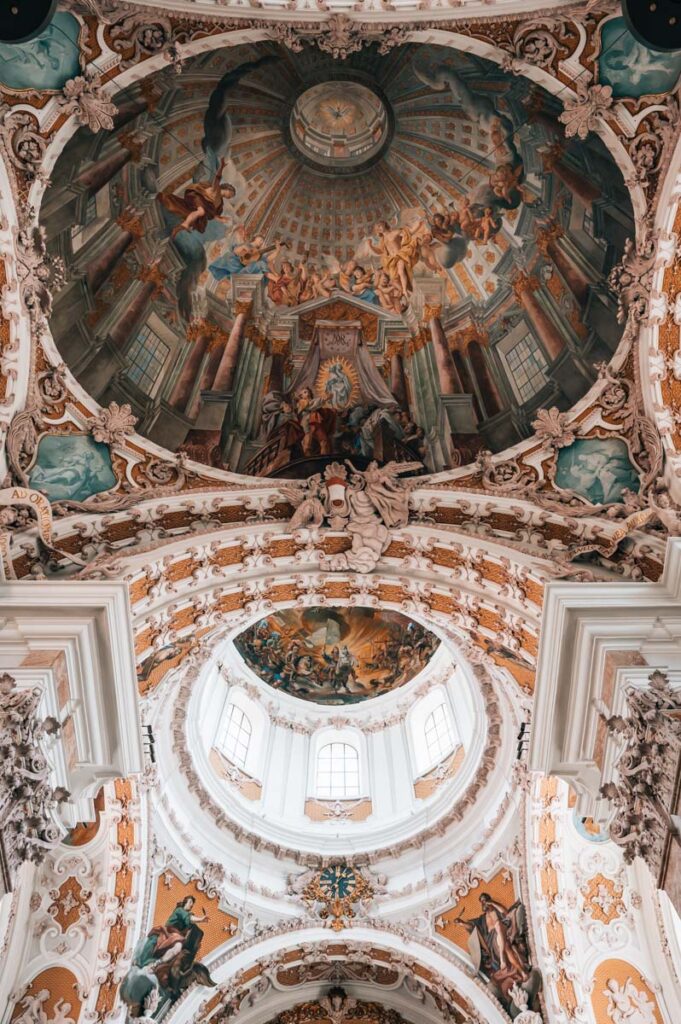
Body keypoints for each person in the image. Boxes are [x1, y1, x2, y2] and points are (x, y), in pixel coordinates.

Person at [157, 159, 236, 238]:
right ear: (227, 189)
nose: (230, 197)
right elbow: (217, 178)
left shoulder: (220, 203)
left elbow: (213, 214)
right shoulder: (216, 189)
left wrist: (221, 218)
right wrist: (221, 167)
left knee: (199, 214)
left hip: (201, 206)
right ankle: (185, 225)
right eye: (231, 194)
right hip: (197, 198)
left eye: (231, 196)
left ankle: (179, 227)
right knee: (201, 211)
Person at [137, 895, 208, 968]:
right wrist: (201, 919)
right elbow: (189, 918)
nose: (191, 905)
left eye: (192, 904)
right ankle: (155, 962)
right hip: (169, 932)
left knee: (179, 950)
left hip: (177, 935)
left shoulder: (187, 917)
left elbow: (190, 924)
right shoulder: (180, 910)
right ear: (185, 902)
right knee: (176, 946)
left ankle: (161, 963)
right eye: (190, 902)